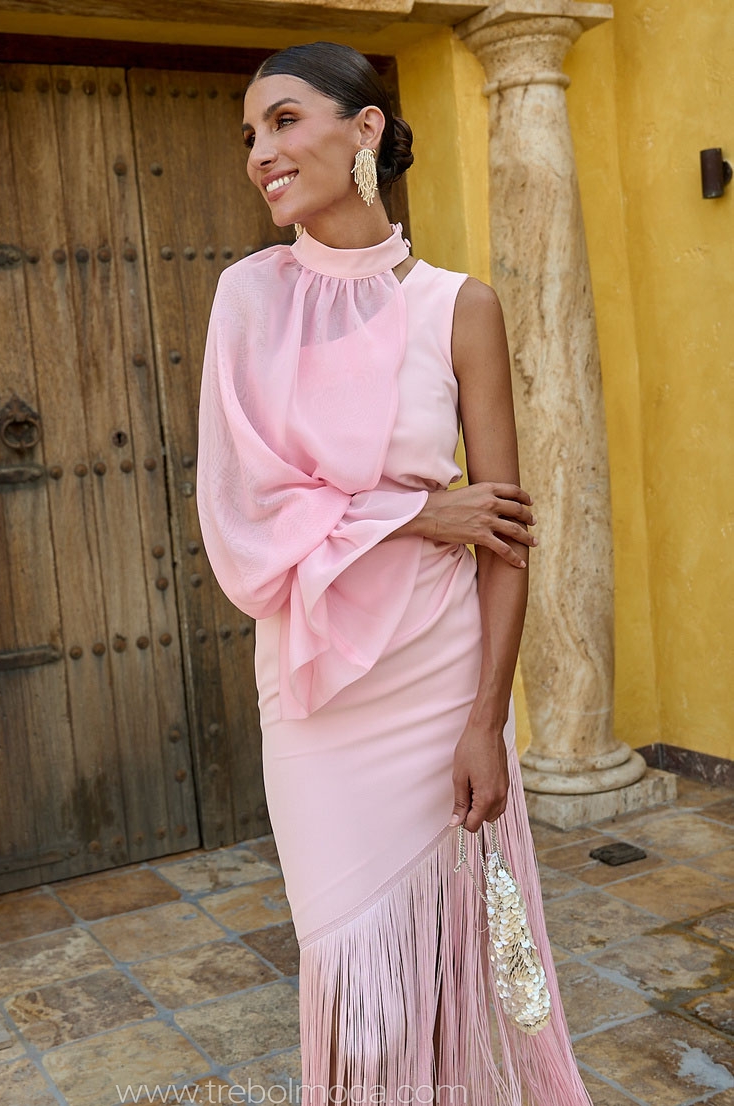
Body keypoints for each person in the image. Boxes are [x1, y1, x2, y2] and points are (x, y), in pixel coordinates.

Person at [197, 41, 593, 1106]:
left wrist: (487, 720)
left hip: (440, 674)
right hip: (316, 692)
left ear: (364, 128)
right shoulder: (247, 300)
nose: (260, 151)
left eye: (284, 120)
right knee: (356, 998)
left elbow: (504, 532)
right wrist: (423, 509)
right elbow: (243, 514)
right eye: (250, 134)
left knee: (453, 975)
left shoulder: (460, 306)